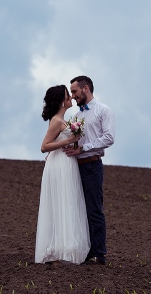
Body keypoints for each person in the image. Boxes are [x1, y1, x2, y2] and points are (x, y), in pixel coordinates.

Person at [35, 85, 90, 264]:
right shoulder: (57, 121)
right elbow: (44, 146)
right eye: (68, 95)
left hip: (67, 163)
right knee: (62, 201)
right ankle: (60, 249)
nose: (71, 99)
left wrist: (73, 144)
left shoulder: (64, 120)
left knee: (68, 201)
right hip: (59, 165)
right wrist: (69, 140)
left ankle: (66, 247)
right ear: (61, 100)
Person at [64, 76, 115, 265]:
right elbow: (71, 141)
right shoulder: (76, 117)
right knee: (79, 210)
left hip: (92, 165)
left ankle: (98, 254)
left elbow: (109, 138)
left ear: (86, 89)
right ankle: (85, 251)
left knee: (94, 210)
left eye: (75, 91)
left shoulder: (103, 110)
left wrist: (83, 149)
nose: (73, 95)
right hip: (76, 167)